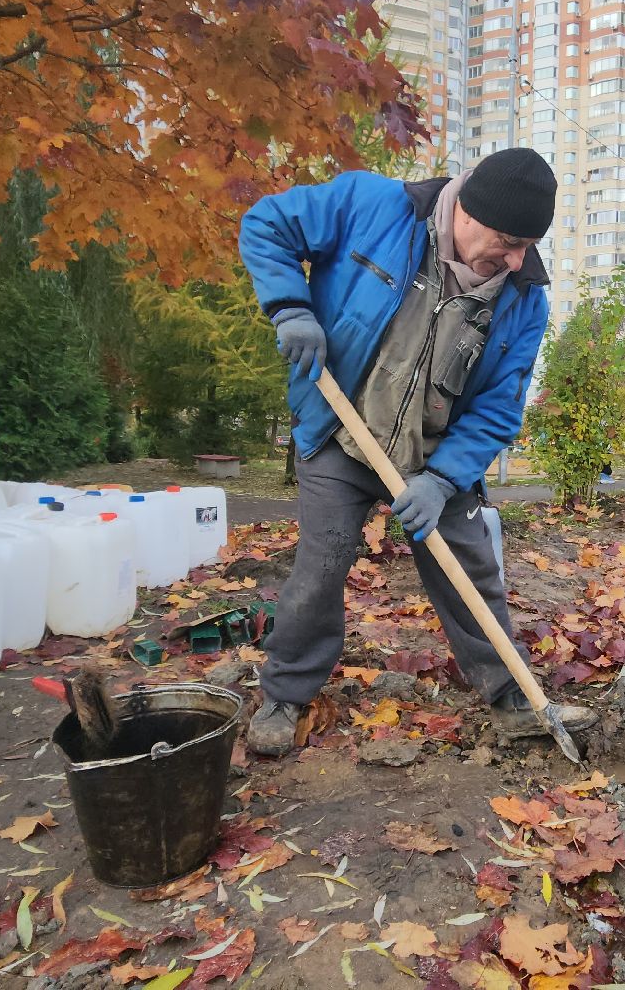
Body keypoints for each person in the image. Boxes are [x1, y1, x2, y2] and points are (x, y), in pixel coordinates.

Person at [238, 148, 599, 757]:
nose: (517, 260)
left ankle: (514, 697)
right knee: (322, 563)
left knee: (470, 568)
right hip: (341, 432)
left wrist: (441, 479)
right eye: (509, 241)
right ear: (466, 213)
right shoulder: (370, 207)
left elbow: (496, 409)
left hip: (431, 456)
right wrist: (289, 306)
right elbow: (267, 222)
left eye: (528, 245)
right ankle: (284, 693)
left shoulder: (522, 300)